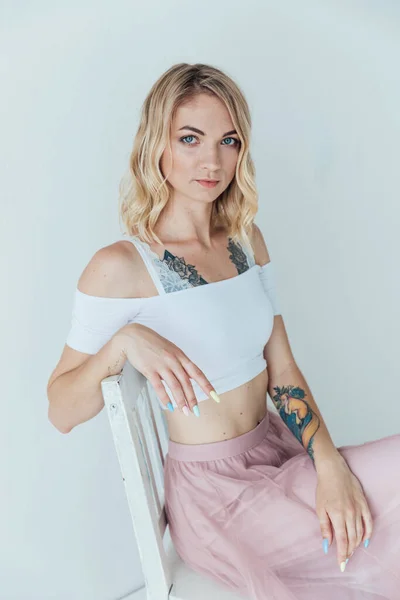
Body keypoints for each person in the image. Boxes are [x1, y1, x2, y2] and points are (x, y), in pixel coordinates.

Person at [47, 63, 400, 599]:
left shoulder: (246, 240)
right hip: (219, 500)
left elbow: (283, 371)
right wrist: (121, 344)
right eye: (190, 139)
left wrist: (329, 464)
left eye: (229, 141)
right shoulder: (120, 265)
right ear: (155, 145)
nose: (212, 161)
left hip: (281, 454)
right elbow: (60, 410)